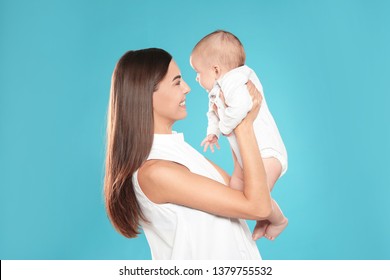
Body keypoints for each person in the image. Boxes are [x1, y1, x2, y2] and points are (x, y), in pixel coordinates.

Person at [105, 48, 275, 260]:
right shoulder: (156, 171)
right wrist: (244, 126)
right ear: (145, 93)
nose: (187, 88)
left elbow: (242, 190)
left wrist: (231, 124)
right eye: (176, 82)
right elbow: (257, 206)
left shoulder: (180, 151)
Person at [190, 30, 288, 240]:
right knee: (236, 193)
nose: (196, 78)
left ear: (215, 69)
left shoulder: (236, 79)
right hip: (246, 154)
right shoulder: (216, 89)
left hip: (266, 152)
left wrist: (224, 127)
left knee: (257, 197)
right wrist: (213, 132)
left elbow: (243, 106)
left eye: (198, 72)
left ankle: (279, 219)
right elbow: (213, 114)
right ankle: (262, 218)